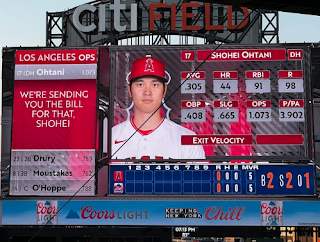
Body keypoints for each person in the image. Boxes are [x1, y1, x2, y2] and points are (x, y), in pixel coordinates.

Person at [111, 55, 205, 159]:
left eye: (154, 85)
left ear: (164, 90)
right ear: (129, 90)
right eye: (140, 85)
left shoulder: (187, 139)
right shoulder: (112, 136)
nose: (147, 92)